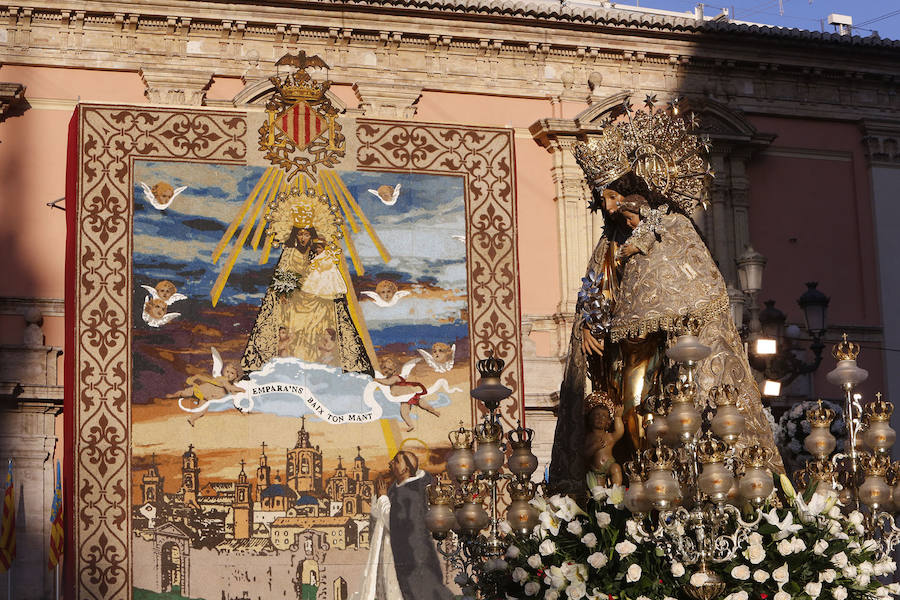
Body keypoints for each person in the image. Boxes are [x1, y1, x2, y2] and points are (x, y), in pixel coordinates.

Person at [549, 101, 783, 495]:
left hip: (673, 349)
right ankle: (637, 486)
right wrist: (588, 324)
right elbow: (595, 288)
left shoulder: (672, 228)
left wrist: (671, 320)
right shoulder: (610, 241)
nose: (605, 207)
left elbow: (698, 284)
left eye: (609, 197)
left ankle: (668, 486)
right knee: (630, 413)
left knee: (658, 414)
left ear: (628, 194)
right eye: (600, 200)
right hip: (624, 351)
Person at [242, 225, 374, 376]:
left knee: (324, 322)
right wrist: (286, 291)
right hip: (295, 299)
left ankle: (323, 364)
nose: (303, 238)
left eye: (306, 235)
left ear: (311, 236)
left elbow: (329, 274)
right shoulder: (290, 252)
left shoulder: (319, 254)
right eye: (300, 234)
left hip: (318, 297)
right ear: (295, 236)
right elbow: (283, 273)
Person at [359, 451, 452, 600]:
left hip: (410, 555)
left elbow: (396, 524)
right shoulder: (397, 489)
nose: (391, 463)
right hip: (395, 551)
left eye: (396, 461)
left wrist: (382, 497)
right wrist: (380, 498)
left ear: (405, 469)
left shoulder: (410, 494)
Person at [583, 391, 625, 486]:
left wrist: (618, 417)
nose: (600, 419)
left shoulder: (608, 436)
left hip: (609, 464)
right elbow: (584, 455)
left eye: (603, 416)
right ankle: (601, 499)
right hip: (595, 469)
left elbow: (619, 432)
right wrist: (594, 447)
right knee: (598, 491)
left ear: (608, 422)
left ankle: (616, 491)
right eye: (597, 415)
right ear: (590, 419)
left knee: (616, 468)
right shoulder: (588, 437)